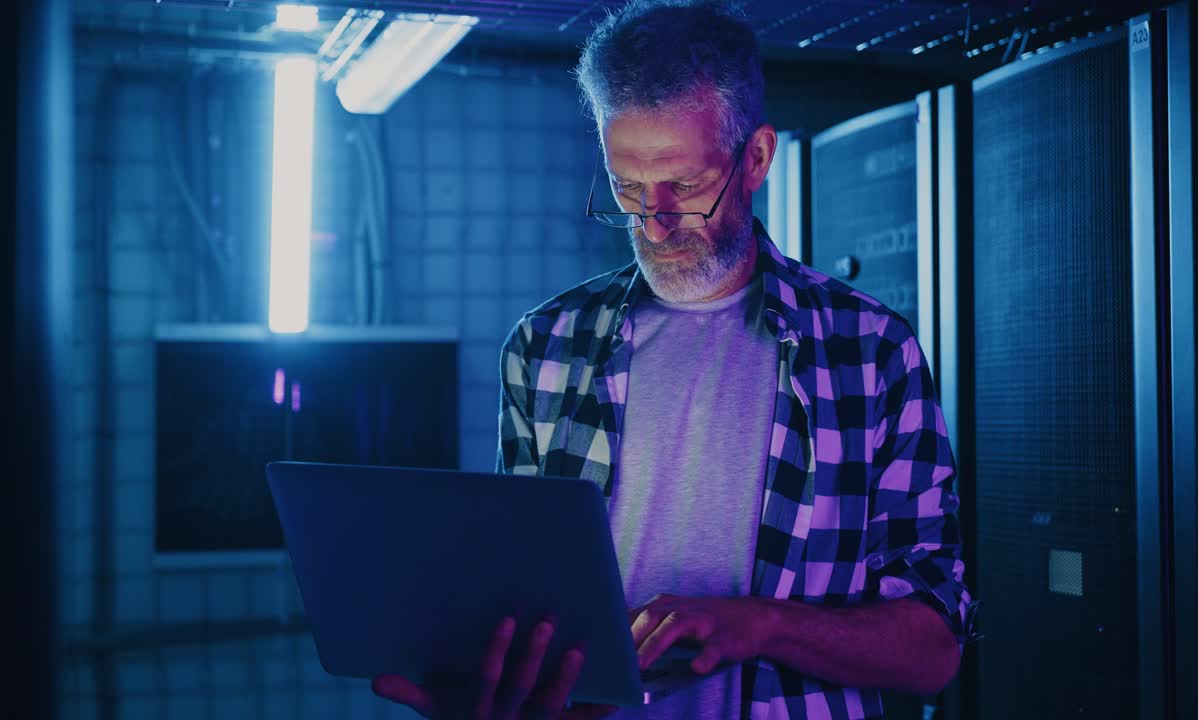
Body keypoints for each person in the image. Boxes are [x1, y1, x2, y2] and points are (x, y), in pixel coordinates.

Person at [373, 1, 976, 718]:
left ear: (757, 159)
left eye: (684, 187)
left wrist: (759, 625)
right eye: (628, 188)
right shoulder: (544, 346)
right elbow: (528, 606)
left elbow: (934, 650)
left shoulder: (870, 351)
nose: (654, 225)